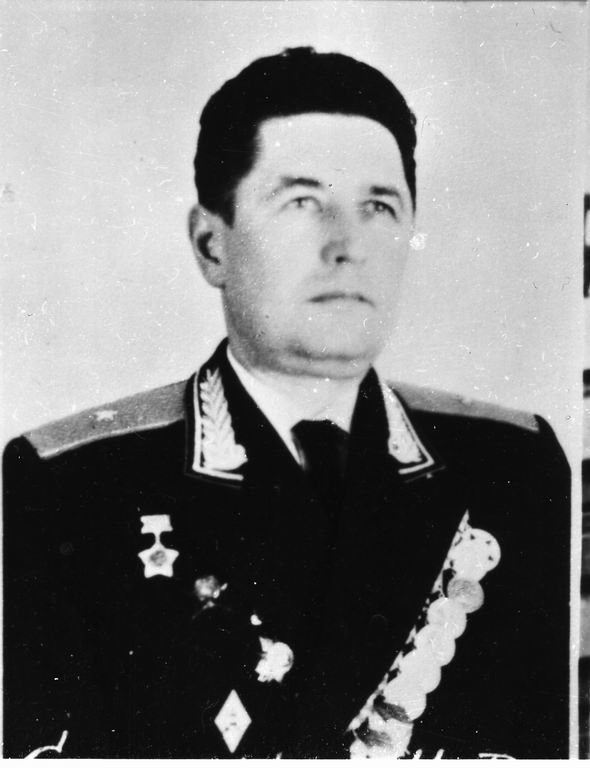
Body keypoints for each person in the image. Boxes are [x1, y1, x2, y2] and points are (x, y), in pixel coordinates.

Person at [3, 47, 570, 759]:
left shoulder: (515, 468)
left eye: (378, 207)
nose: (347, 246)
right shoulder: (70, 488)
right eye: (303, 203)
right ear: (210, 244)